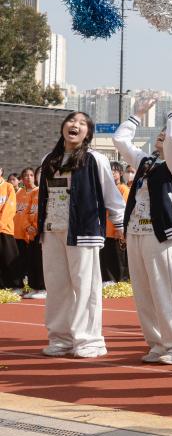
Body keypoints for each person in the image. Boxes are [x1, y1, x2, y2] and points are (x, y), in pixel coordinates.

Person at [114, 95, 172, 364]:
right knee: (143, 291)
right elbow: (120, 141)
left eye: (168, 133)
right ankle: (158, 343)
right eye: (160, 133)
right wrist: (138, 114)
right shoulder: (147, 162)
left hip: (160, 233)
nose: (163, 135)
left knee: (165, 290)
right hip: (136, 231)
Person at [38, 111, 126, 357]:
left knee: (85, 287)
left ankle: (90, 340)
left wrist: (119, 224)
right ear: (63, 127)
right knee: (56, 287)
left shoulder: (95, 159)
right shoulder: (49, 159)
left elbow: (111, 195)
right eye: (71, 121)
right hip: (52, 230)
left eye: (81, 123)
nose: (74, 125)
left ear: (88, 133)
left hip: (83, 230)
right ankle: (61, 338)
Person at [99, 161, 130, 285]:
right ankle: (109, 280)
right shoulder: (106, 189)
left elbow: (124, 209)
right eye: (110, 170)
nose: (112, 173)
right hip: (106, 229)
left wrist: (120, 228)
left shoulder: (123, 189)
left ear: (120, 173)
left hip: (116, 230)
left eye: (114, 171)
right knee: (107, 257)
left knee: (118, 257)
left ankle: (121, 280)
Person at [14, 169, 40, 295]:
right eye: (25, 175)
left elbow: (30, 213)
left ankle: (34, 286)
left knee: (32, 262)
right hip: (17, 232)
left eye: (31, 175)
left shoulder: (37, 192)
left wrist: (29, 227)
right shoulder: (19, 193)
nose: (28, 177)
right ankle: (22, 285)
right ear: (22, 179)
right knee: (19, 262)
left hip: (30, 234)